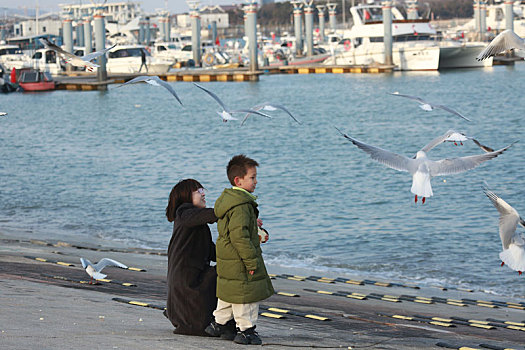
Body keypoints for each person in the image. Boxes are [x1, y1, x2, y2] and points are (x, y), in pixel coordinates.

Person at [205, 155, 274, 345]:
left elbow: (234, 228)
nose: (256, 181)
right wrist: (251, 262)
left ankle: (218, 323)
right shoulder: (242, 206)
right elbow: (240, 237)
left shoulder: (229, 201)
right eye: (252, 177)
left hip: (228, 258)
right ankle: (246, 330)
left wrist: (253, 224)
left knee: (229, 293)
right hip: (240, 260)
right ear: (239, 180)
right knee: (246, 296)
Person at [165, 179, 218, 336]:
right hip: (189, 292)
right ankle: (226, 322)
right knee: (227, 272)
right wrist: (229, 212)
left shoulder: (195, 224)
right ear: (186, 196)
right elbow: (212, 214)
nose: (204, 195)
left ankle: (226, 321)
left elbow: (215, 254)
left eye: (203, 191)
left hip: (186, 294)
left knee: (230, 267)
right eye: (199, 191)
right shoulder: (184, 213)